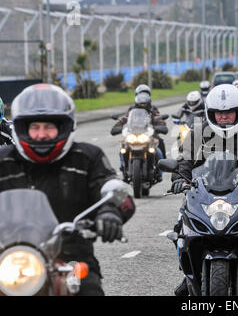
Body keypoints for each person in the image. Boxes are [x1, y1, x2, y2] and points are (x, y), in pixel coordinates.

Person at [0, 84, 136, 295]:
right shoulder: (3, 161)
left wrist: (110, 212)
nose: (41, 135)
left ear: (64, 127)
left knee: (89, 290)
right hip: (10, 259)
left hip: (71, 259)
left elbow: (114, 190)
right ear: (21, 129)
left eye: (49, 127)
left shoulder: (86, 158)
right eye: (34, 127)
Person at [171, 84, 238, 296]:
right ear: (210, 113)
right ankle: (190, 275)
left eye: (228, 112)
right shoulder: (198, 132)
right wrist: (179, 179)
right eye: (218, 113)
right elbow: (185, 162)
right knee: (180, 229)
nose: (223, 117)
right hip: (205, 193)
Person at [111, 92, 168, 183]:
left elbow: (159, 120)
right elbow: (124, 119)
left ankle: (159, 172)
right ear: (136, 103)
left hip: (148, 136)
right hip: (133, 135)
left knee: (157, 151)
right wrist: (118, 126)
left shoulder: (152, 111)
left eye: (144, 103)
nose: (142, 105)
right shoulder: (131, 112)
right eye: (140, 103)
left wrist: (160, 126)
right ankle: (124, 170)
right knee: (123, 150)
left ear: (148, 103)